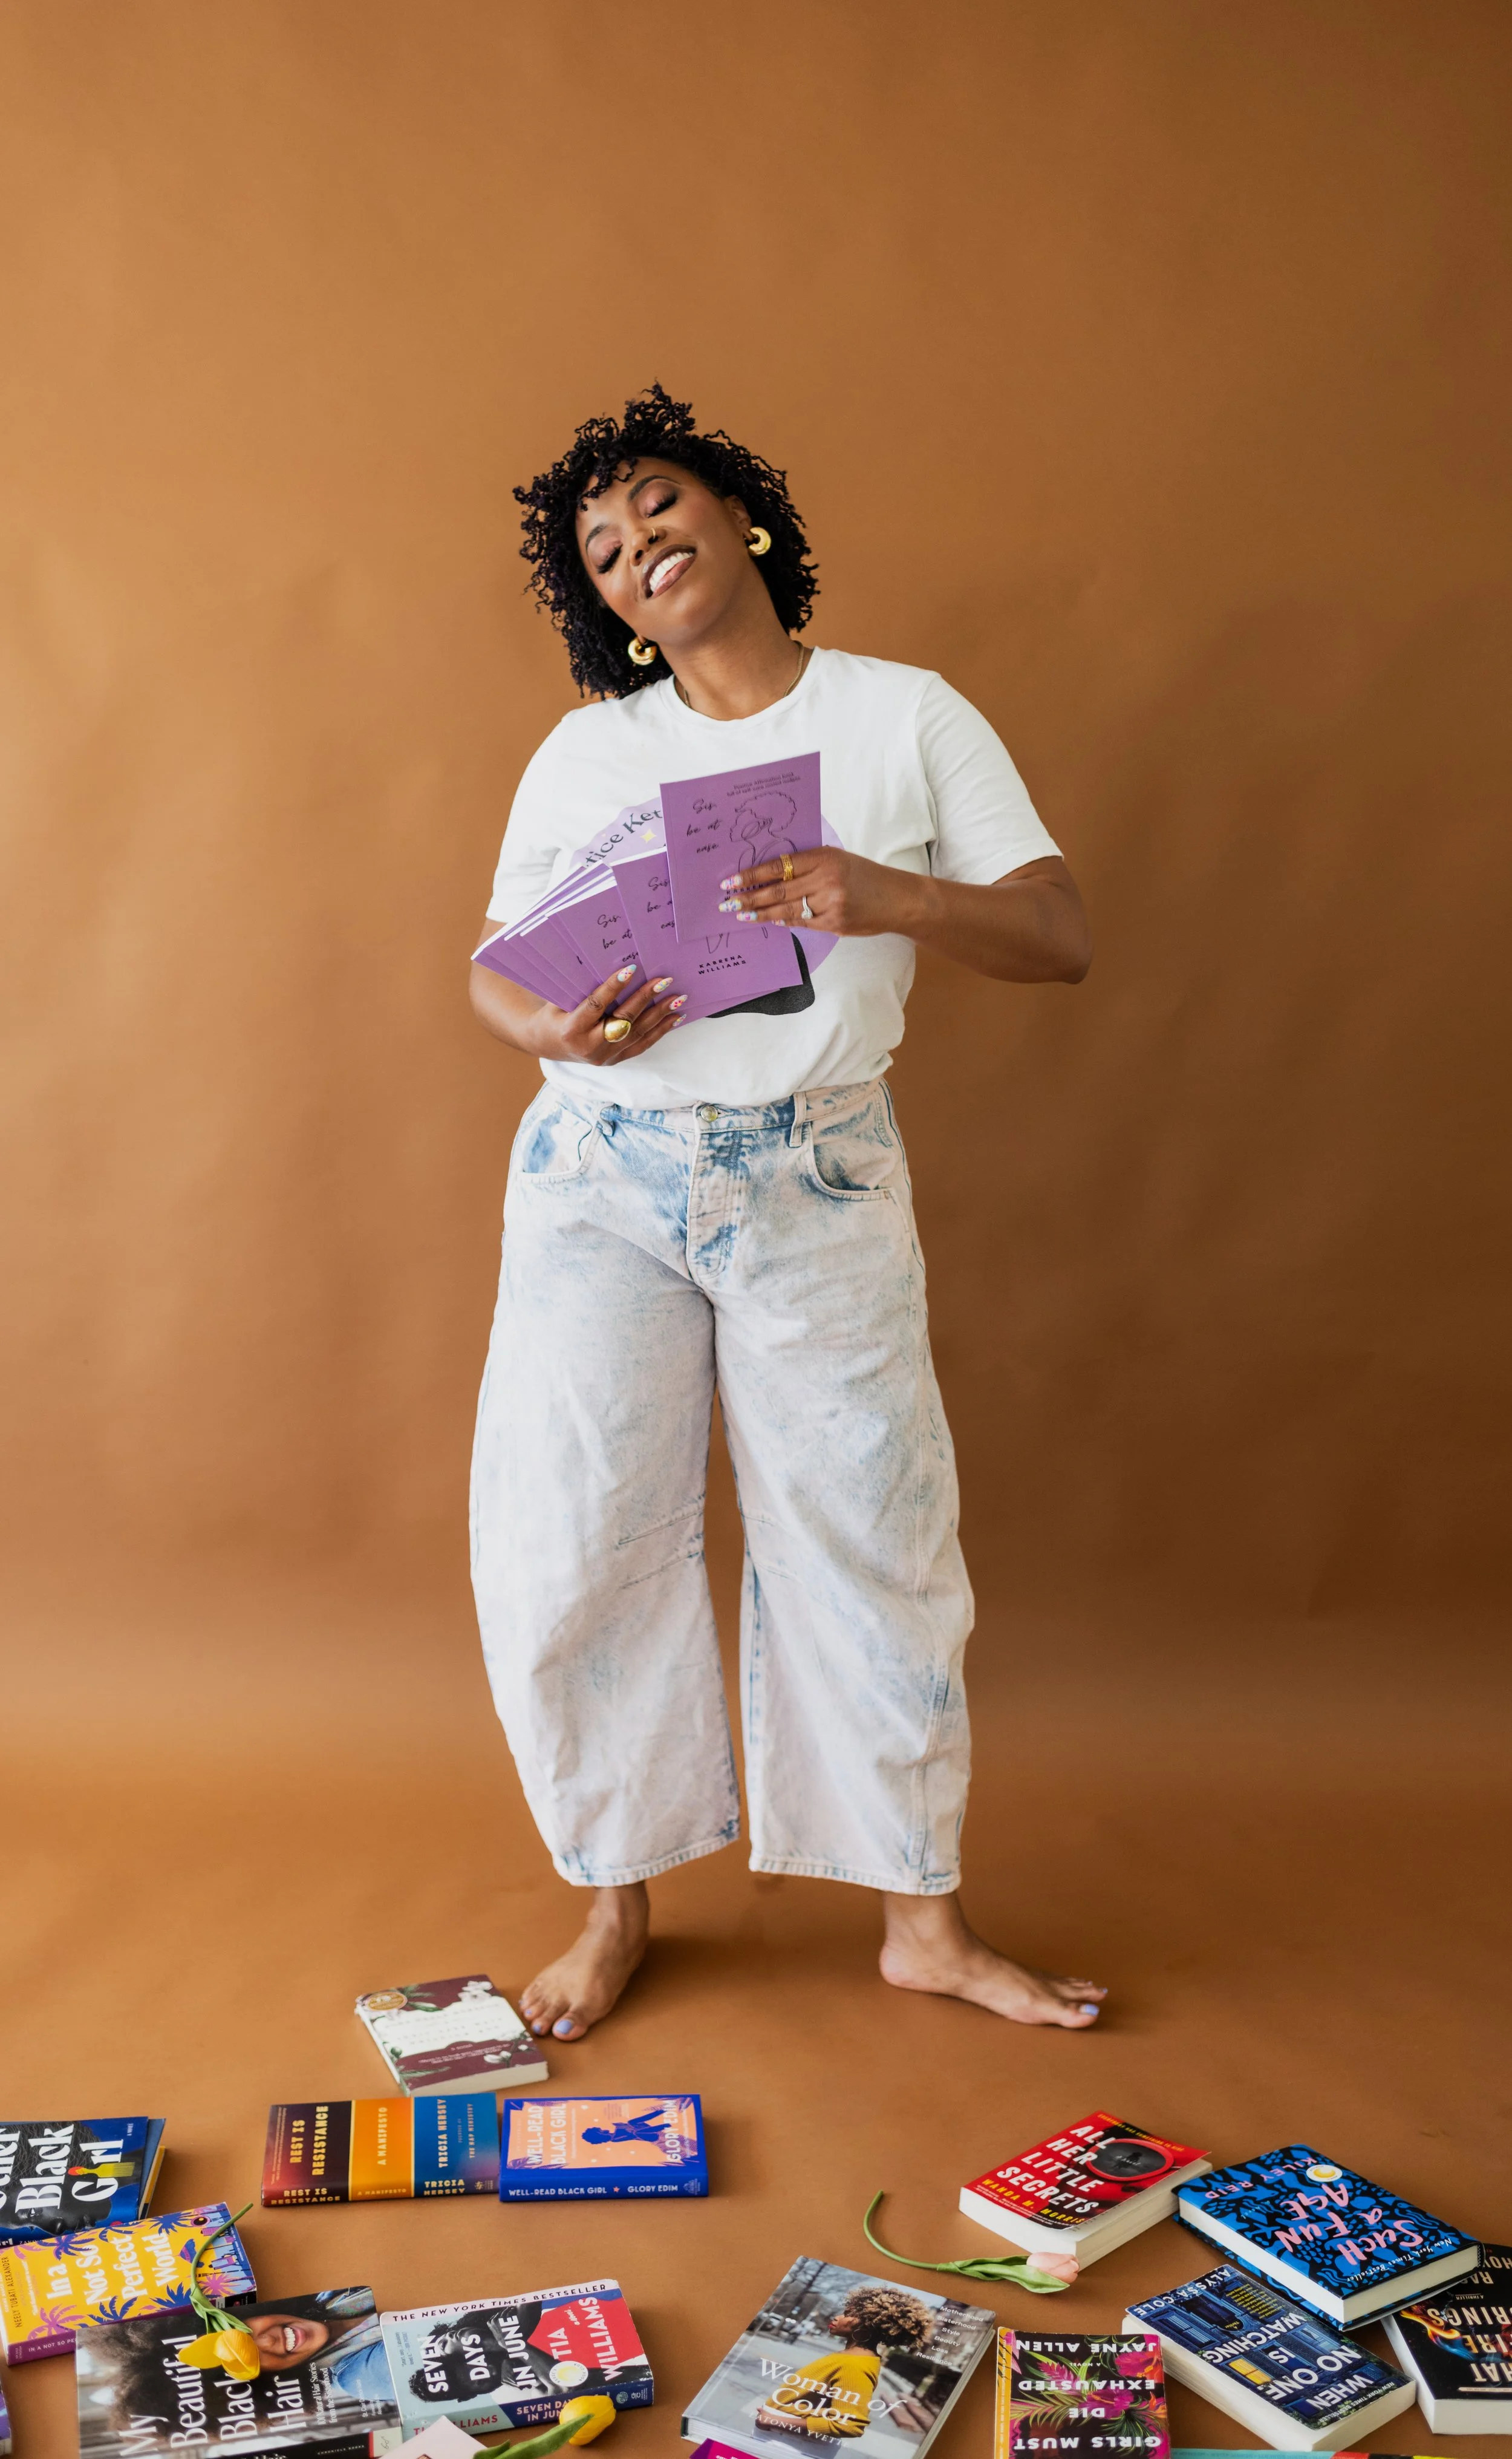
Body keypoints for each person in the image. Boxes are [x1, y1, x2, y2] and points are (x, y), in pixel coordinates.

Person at [469, 385, 1105, 2042]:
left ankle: (922, 1921)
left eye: (658, 509)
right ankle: (612, 1904)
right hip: (602, 1172)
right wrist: (555, 1025)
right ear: (597, 600)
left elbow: (1058, 932)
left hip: (815, 1169)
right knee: (578, 1535)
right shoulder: (592, 749)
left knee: (875, 1539)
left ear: (742, 517)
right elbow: (496, 970)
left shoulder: (905, 716)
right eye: (599, 551)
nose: (635, 551)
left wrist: (877, 893)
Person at [754, 2284, 934, 2440]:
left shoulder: (856, 2364)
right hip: (780, 2437)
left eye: (848, 2314)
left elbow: (850, 2425)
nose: (837, 2317)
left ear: (868, 2326)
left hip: (784, 2441)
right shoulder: (851, 2358)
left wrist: (775, 2421)